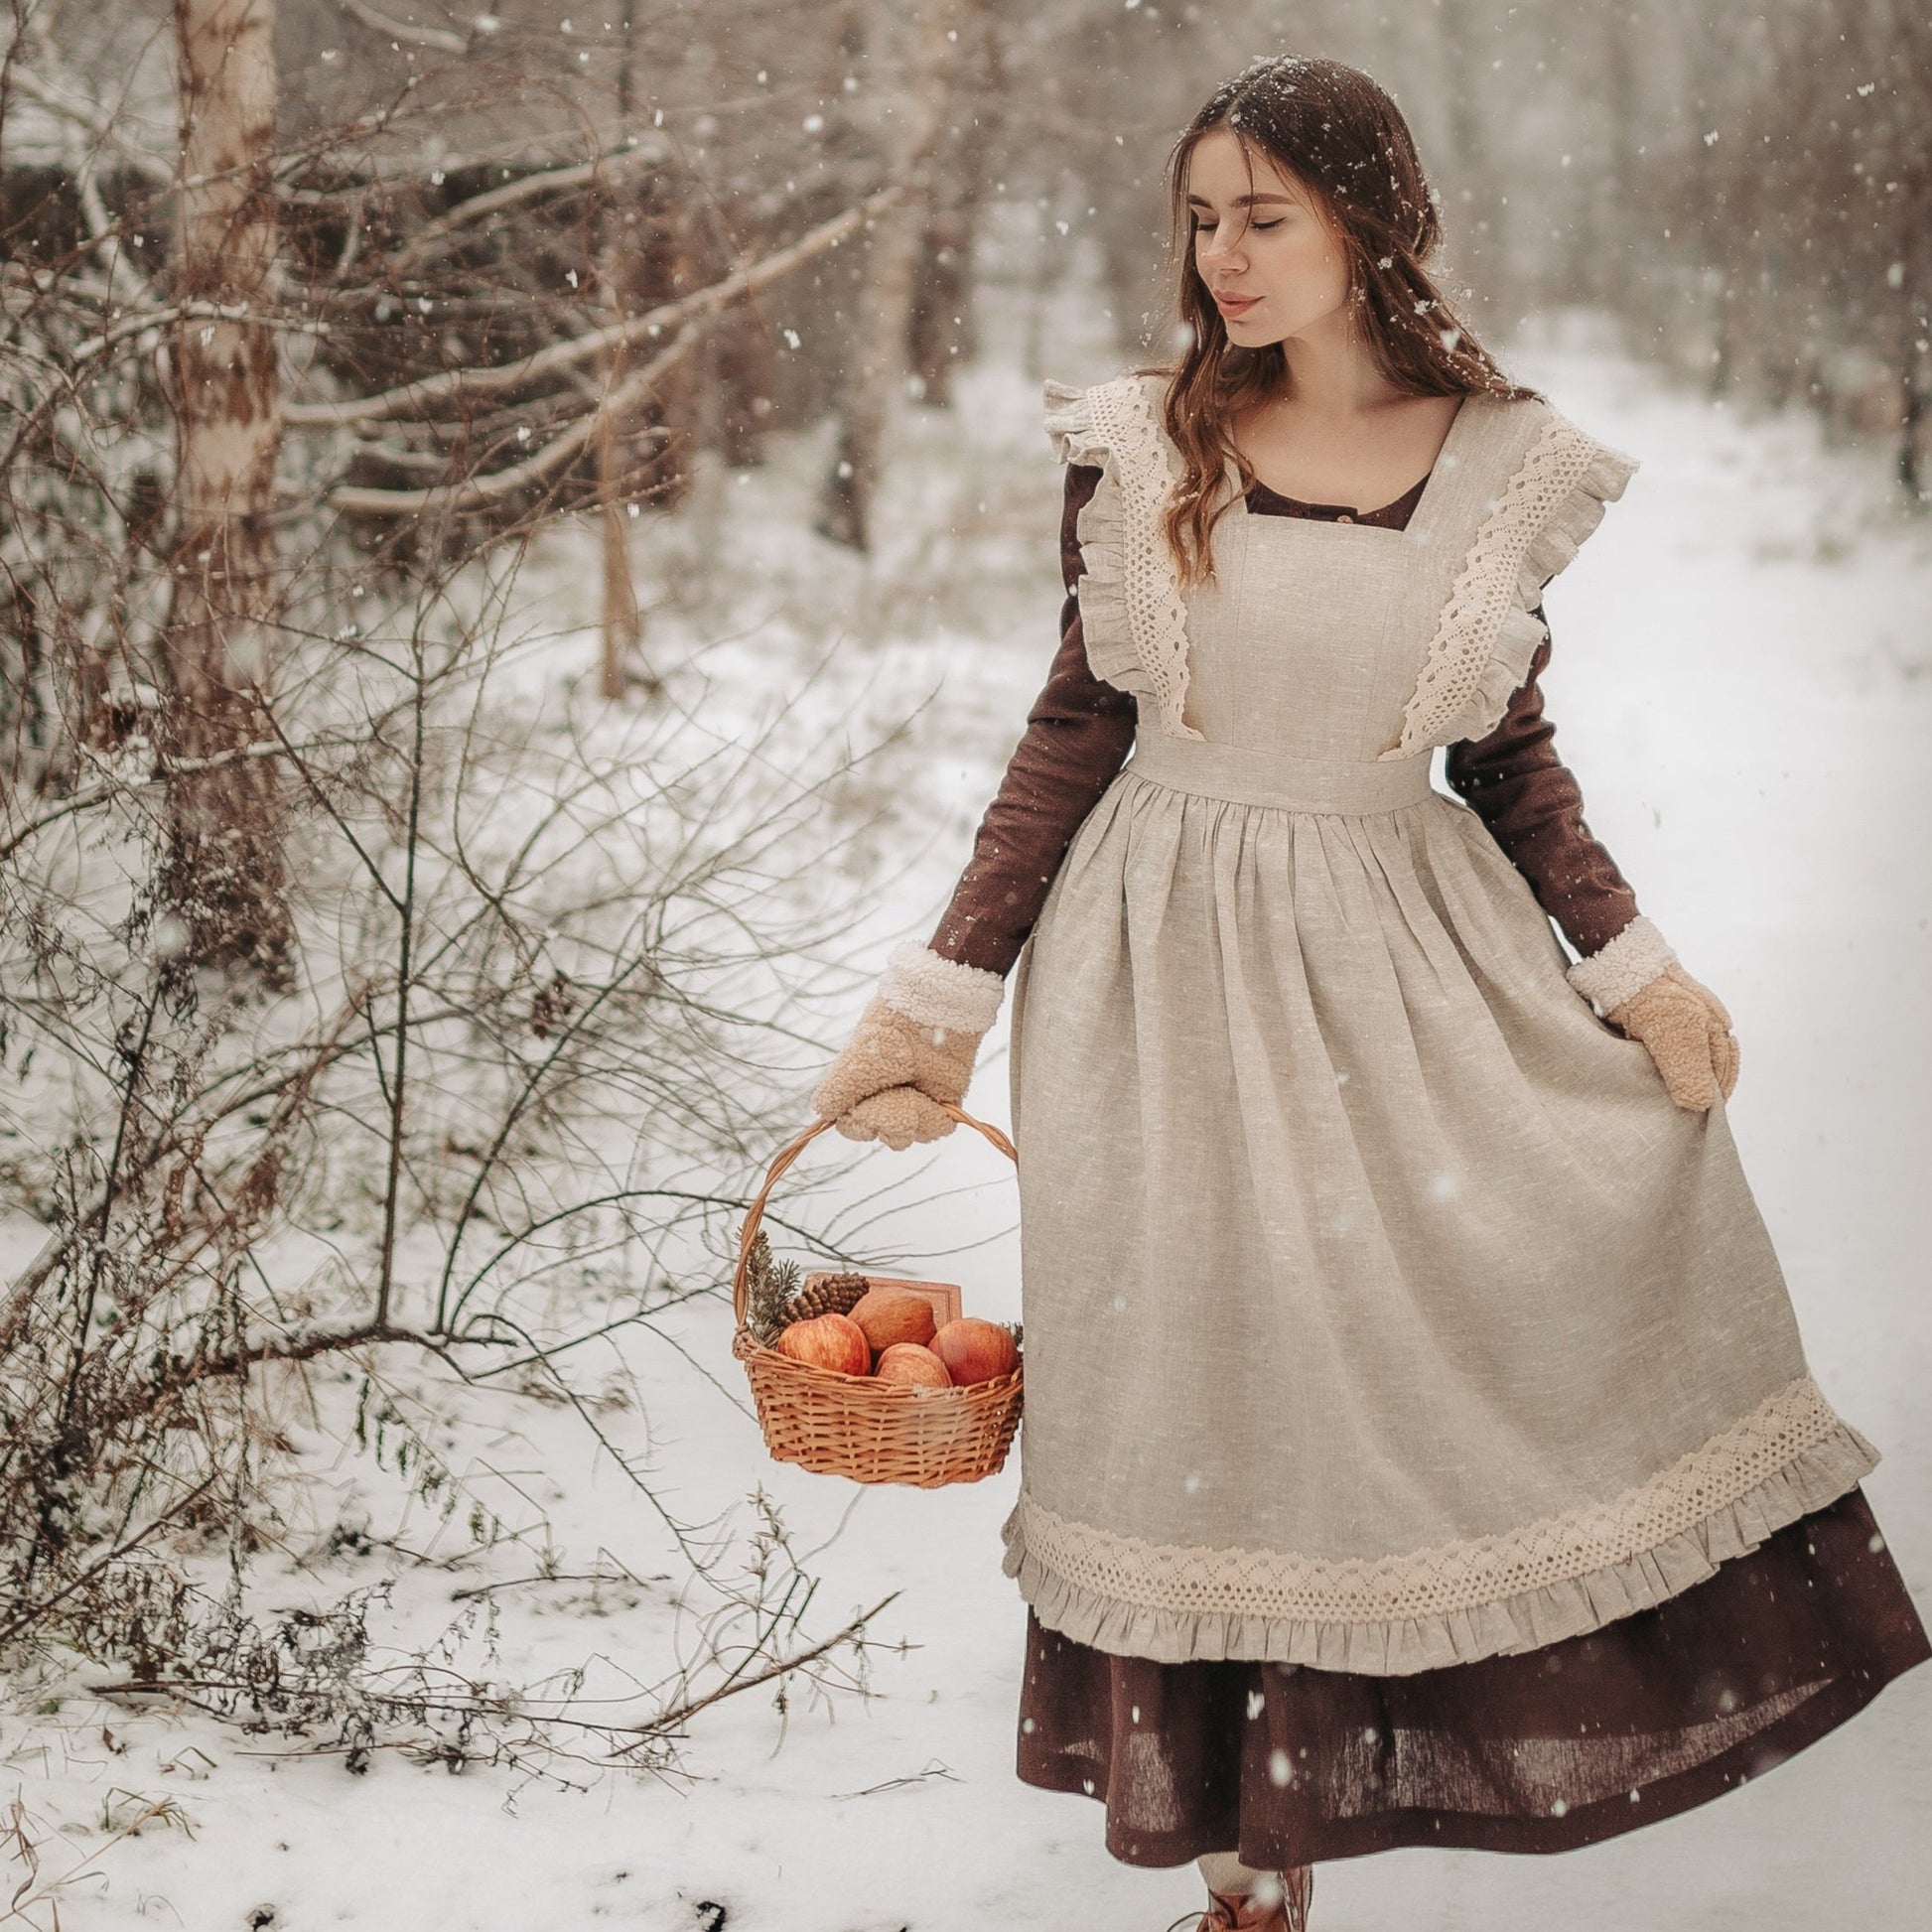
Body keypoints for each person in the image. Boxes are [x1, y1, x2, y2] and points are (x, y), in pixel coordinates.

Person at [811, 55, 1930, 1932]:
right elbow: (1070, 732)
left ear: (1367, 221)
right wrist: (936, 1002)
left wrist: (1633, 967)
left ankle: (1343, 1772)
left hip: (1399, 963)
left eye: (1263, 215)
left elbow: (1507, 758)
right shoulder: (1145, 446)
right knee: (1195, 1380)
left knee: (1380, 1375)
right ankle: (1246, 1872)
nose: (1221, 256)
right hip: (1150, 969)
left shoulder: (1498, 465)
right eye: (1198, 218)